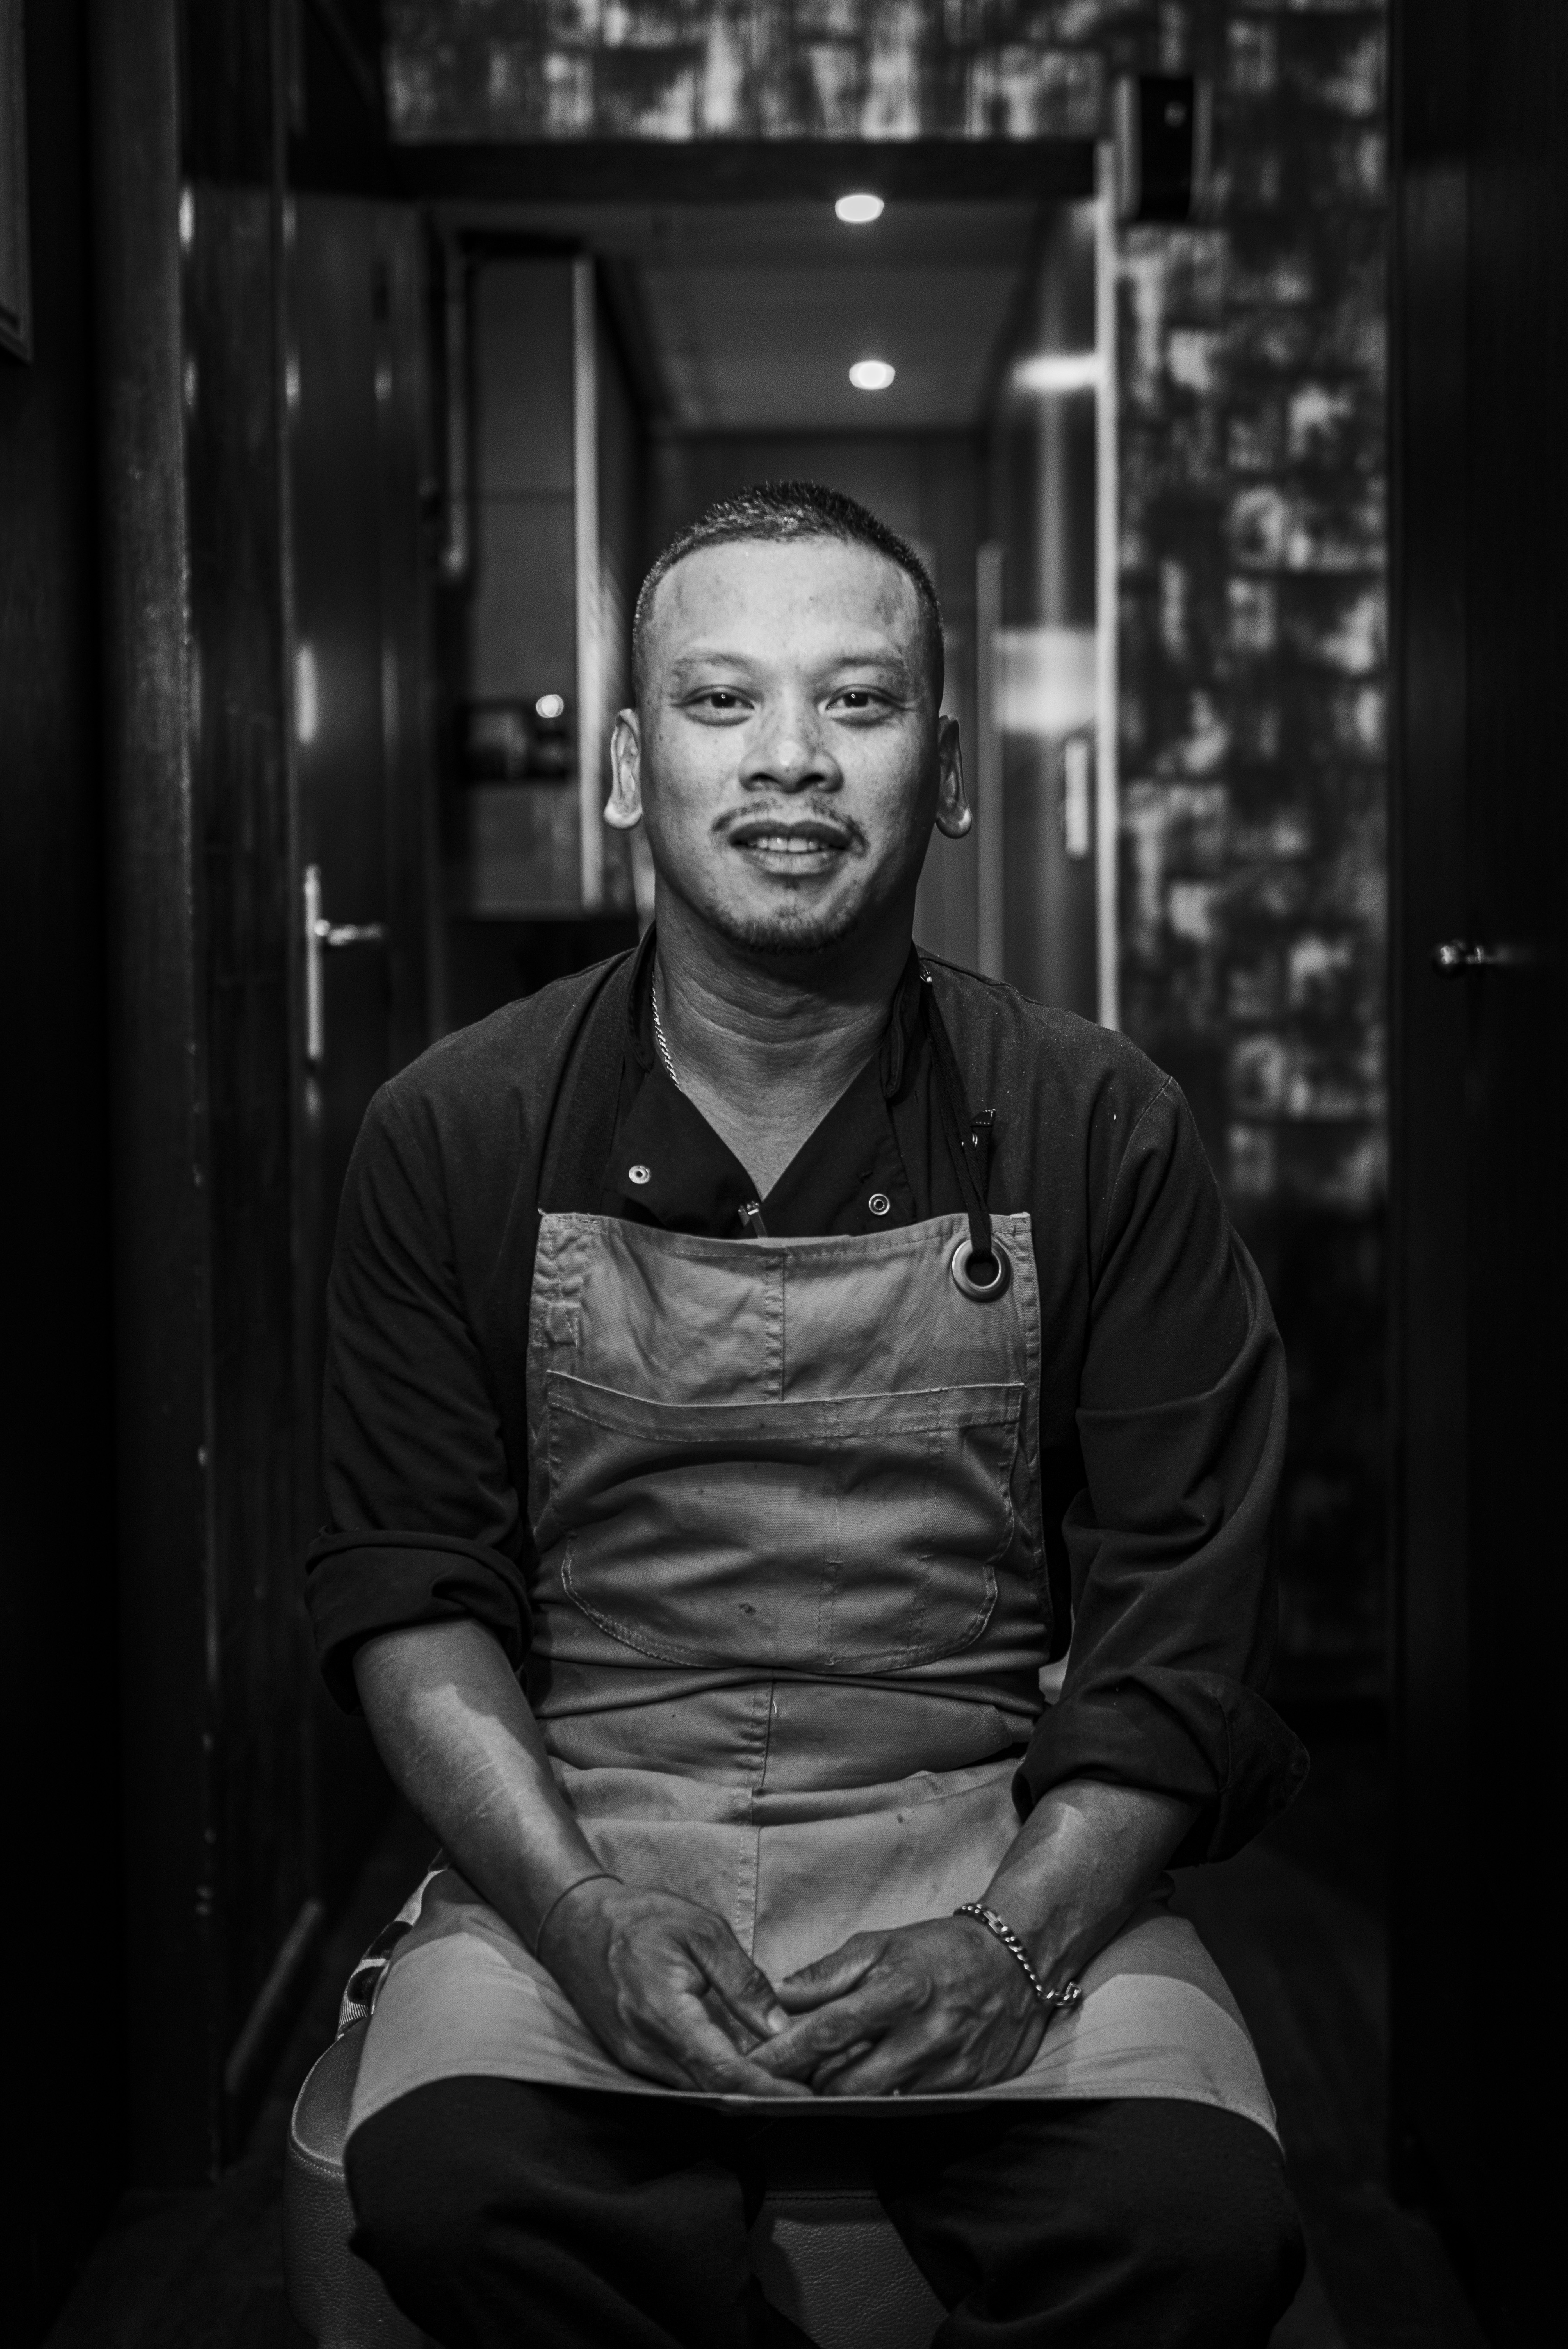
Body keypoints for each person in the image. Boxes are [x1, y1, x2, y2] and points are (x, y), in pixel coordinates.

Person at [307, 482, 1308, 2348]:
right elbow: (407, 1588)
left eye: (857, 701)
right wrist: (577, 1910)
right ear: (630, 768)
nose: (789, 757)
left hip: (991, 1830)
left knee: (1192, 2224)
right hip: (585, 1831)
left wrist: (1011, 1941)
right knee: (460, 2189)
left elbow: (1184, 1613)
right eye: (719, 702)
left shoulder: (1096, 1123)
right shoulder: (455, 1130)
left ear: (944, 771)